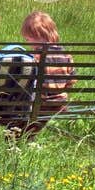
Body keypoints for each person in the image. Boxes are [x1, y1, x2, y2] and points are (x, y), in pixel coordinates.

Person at [18, 10, 76, 139]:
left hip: (40, 103)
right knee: (31, 125)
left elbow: (26, 81)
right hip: (59, 103)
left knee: (17, 124)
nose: (27, 43)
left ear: (37, 35)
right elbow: (71, 80)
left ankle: (20, 140)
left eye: (28, 39)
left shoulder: (36, 58)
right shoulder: (67, 56)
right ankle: (27, 137)